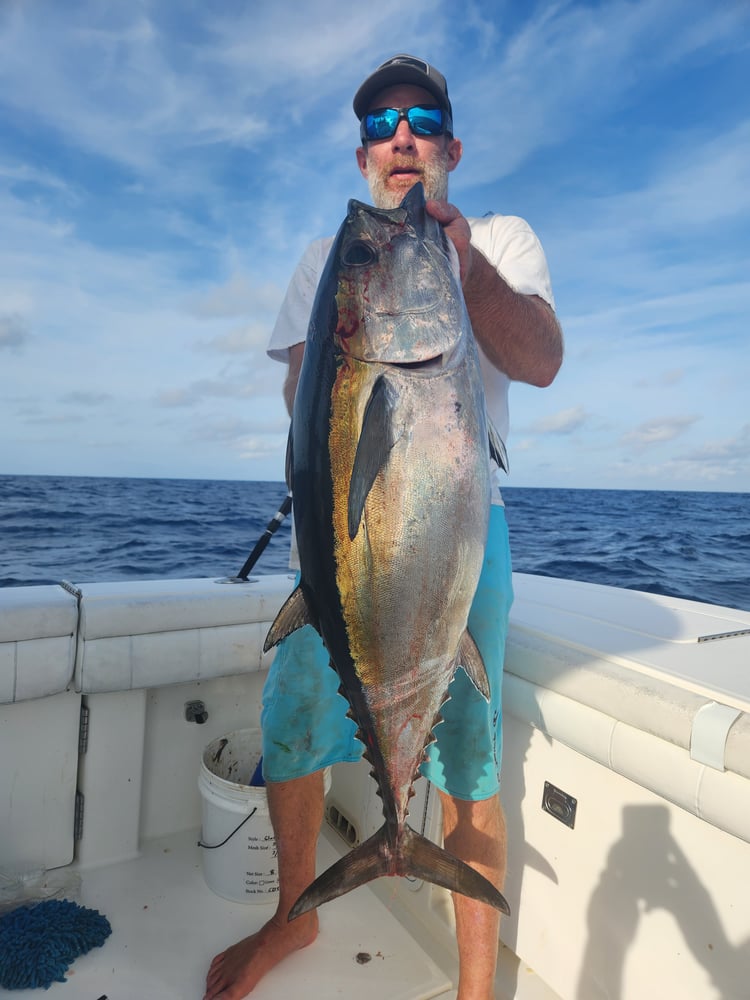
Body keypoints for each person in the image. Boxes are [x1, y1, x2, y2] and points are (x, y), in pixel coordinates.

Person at [204, 54, 563, 1000]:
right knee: (293, 728)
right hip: (342, 545)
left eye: (421, 120)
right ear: (362, 153)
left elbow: (540, 360)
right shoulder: (335, 255)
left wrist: (461, 263)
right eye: (379, 124)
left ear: (450, 145)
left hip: (457, 539)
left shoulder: (498, 239)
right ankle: (295, 919)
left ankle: (476, 988)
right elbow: (305, 397)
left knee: (470, 760)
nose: (400, 137)